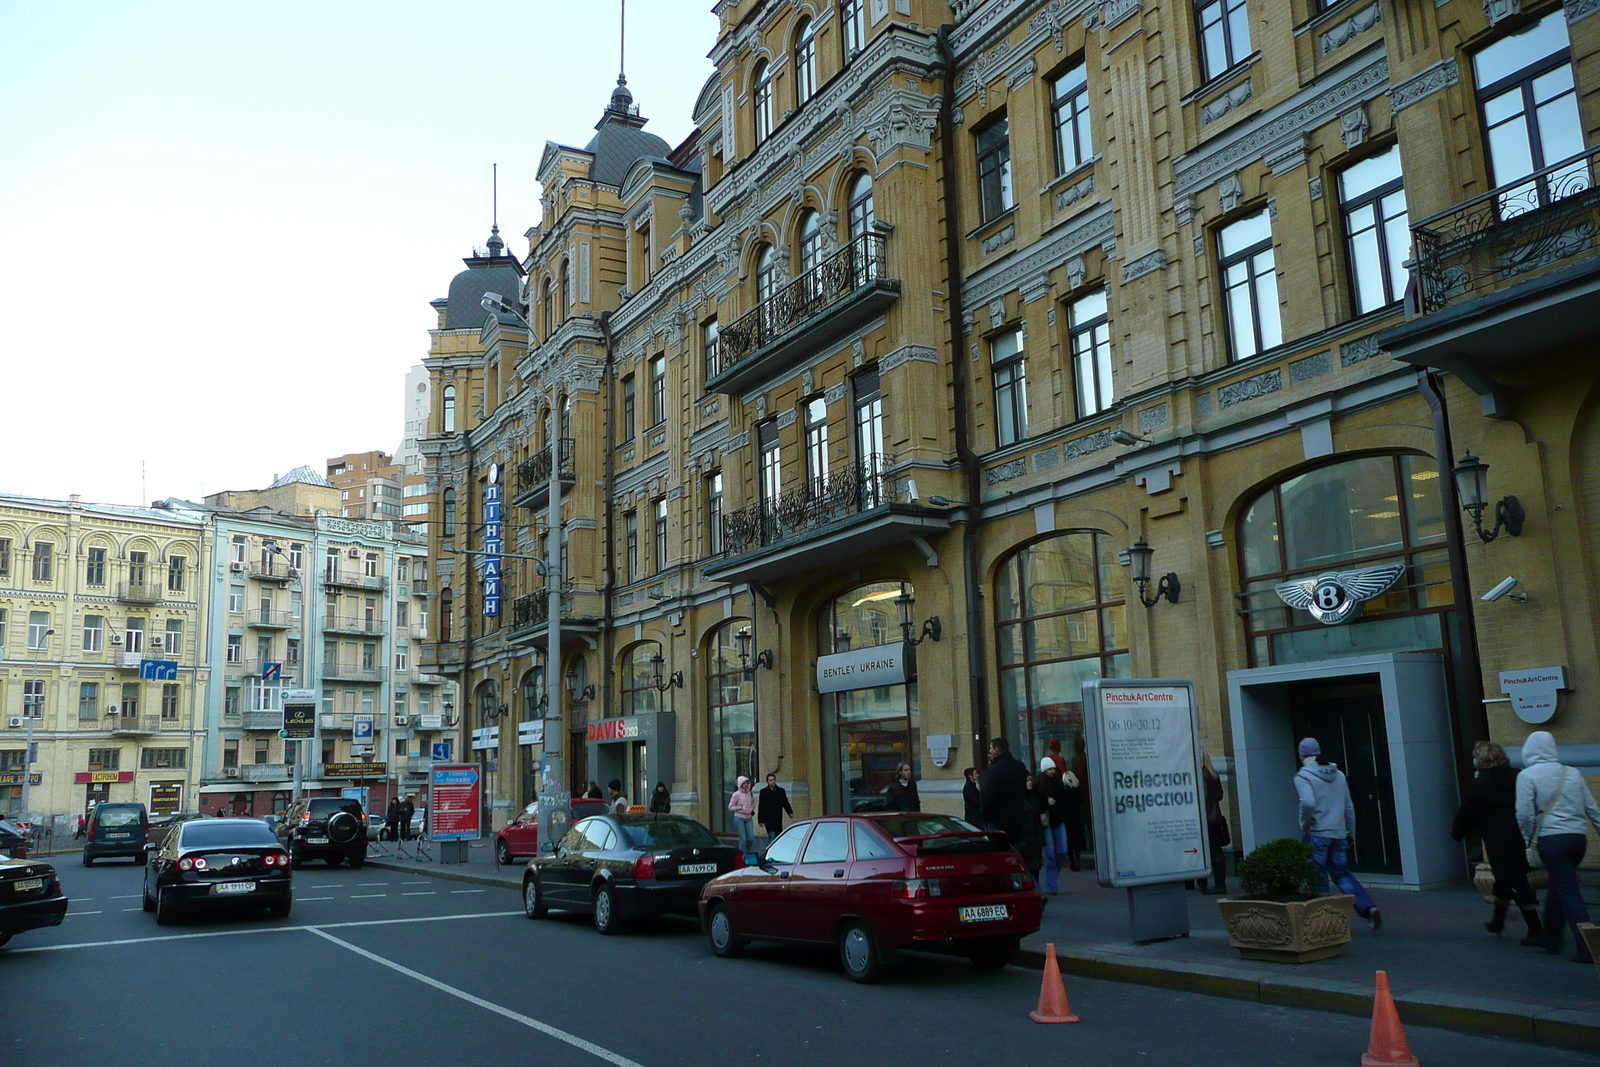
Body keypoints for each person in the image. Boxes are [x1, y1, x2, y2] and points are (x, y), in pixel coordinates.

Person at [1516, 730, 1600, 963]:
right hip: (1577, 840)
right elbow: (1592, 808)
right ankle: (1550, 936)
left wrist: (1528, 838)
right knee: (1559, 884)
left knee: (1569, 892)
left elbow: (1523, 814)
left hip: (1551, 841)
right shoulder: (1571, 773)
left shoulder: (1527, 776)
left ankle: (1588, 947)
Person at [1454, 741, 1540, 939]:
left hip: (1497, 842)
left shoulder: (1480, 785)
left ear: (1480, 760)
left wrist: (1457, 833)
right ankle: (1497, 921)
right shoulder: (1518, 776)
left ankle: (1535, 928)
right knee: (1505, 880)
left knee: (1517, 882)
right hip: (1521, 836)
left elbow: (1468, 813)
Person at [1295, 737, 1381, 930]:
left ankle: (1321, 922)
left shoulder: (1304, 776)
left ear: (1302, 755)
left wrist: (1304, 823)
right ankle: (1368, 908)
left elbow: (1307, 803)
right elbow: (1349, 807)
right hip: (1339, 833)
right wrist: (1351, 833)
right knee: (1342, 874)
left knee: (1318, 878)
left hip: (1317, 833)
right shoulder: (1339, 774)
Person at [980, 737, 1029, 841]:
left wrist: (986, 814)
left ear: (997, 750)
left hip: (998, 820)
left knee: (998, 850)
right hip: (1017, 817)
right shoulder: (1019, 766)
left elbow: (988, 796)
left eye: (991, 749)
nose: (990, 752)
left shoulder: (994, 770)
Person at [1035, 758, 1070, 895]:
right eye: (1049, 769)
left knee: (1062, 850)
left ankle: (1052, 877)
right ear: (1044, 770)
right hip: (1047, 822)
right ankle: (1051, 885)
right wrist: (1046, 802)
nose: (1052, 771)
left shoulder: (1058, 782)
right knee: (1049, 853)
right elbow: (1037, 803)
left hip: (1058, 819)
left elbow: (1063, 800)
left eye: (1053, 769)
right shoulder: (1039, 785)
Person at [1200, 753, 1230, 895]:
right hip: (1215, 817)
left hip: (1205, 818)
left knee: (1205, 851)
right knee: (1217, 851)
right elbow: (1220, 796)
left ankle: (1212, 884)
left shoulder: (1201, 775)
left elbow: (1202, 799)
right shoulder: (1213, 774)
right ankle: (1220, 883)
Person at [1017, 773, 1044, 890]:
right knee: (1027, 865)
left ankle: (1035, 888)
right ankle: (1033, 889)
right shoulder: (1019, 799)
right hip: (1025, 836)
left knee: (1035, 866)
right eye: (1027, 781)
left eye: (1031, 781)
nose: (1030, 783)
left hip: (1035, 835)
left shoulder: (1033, 796)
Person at [757, 773, 792, 846]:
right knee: (772, 836)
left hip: (778, 818)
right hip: (768, 819)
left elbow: (785, 802)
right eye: (770, 780)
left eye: (773, 780)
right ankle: (772, 852)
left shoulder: (781, 791)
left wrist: (790, 812)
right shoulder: (763, 792)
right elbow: (761, 806)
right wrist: (760, 820)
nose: (772, 781)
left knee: (778, 836)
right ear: (767, 782)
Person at [728, 776, 757, 856]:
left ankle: (746, 852)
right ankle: (742, 856)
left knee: (751, 838)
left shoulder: (750, 793)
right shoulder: (736, 794)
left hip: (748, 818)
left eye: (747, 783)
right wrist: (740, 807)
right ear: (740, 784)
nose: (746, 785)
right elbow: (730, 807)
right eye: (744, 783)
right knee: (743, 839)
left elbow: (753, 803)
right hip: (739, 818)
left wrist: (751, 808)